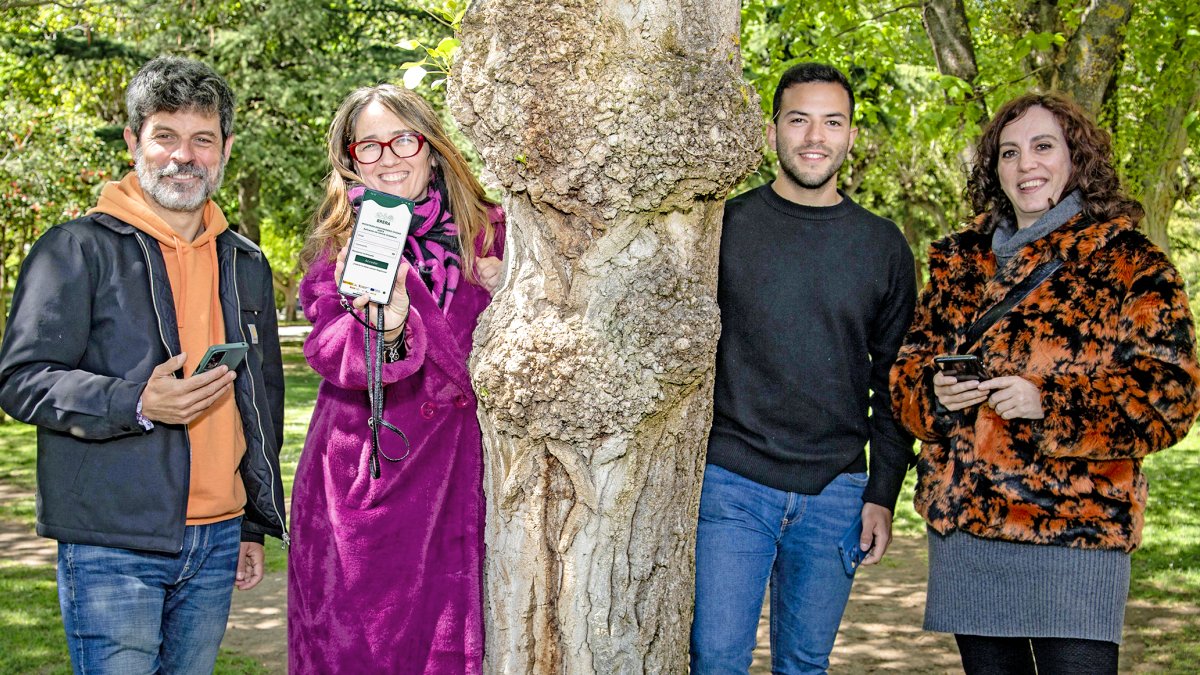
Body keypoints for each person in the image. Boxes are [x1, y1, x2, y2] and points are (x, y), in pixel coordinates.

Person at [890, 92, 1200, 674]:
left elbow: (1172, 394)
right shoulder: (959, 263)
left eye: (1042, 146)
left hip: (1075, 532)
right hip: (969, 531)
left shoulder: (1131, 262)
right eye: (1009, 152)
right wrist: (935, 393)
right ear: (994, 168)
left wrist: (1049, 402)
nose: (1025, 164)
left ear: (1075, 158)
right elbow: (908, 371)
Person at [0, 56, 286, 673]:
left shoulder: (245, 262)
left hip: (216, 540)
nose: (184, 156)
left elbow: (259, 400)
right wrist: (135, 401)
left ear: (225, 150)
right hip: (112, 544)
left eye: (202, 140)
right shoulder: (73, 250)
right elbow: (22, 378)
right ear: (134, 141)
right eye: (165, 136)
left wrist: (251, 527)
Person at [690, 62, 917, 673]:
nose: (815, 136)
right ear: (772, 133)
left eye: (832, 121)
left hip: (835, 492)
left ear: (850, 137)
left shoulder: (883, 246)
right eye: (799, 119)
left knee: (804, 666)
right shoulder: (723, 228)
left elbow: (894, 380)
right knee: (715, 661)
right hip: (731, 480)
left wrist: (883, 493)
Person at [287, 83, 505, 673]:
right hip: (369, 479)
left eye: (403, 140)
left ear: (431, 147)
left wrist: (513, 289)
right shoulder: (342, 244)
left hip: (466, 480)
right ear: (350, 159)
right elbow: (329, 349)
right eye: (369, 147)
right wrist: (385, 332)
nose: (388, 158)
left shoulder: (492, 233)